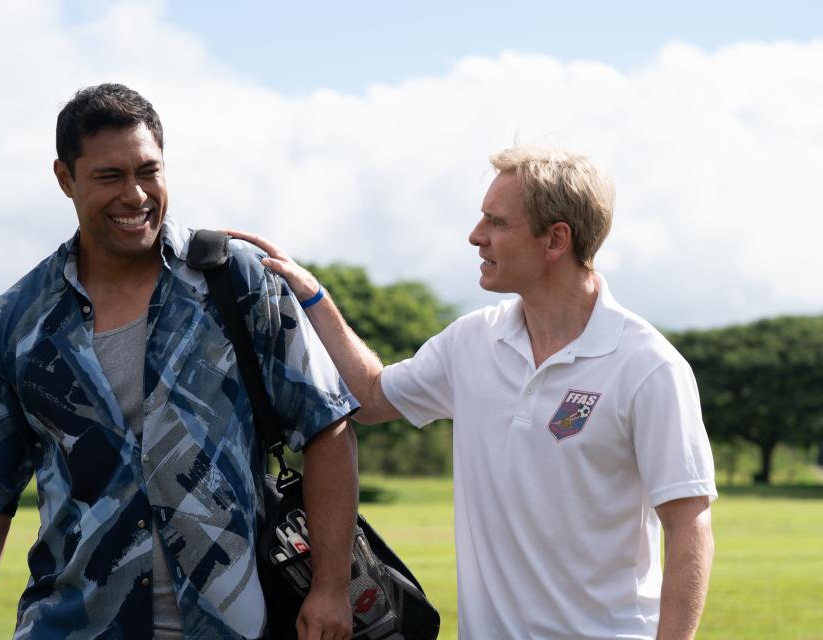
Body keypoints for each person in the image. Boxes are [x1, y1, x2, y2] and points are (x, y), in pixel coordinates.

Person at [230, 145, 717, 640]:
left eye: (496, 222)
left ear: (556, 240)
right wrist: (314, 296)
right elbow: (374, 398)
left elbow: (688, 527)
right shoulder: (472, 341)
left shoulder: (648, 367)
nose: (475, 236)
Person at [0, 83, 360, 640]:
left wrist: (330, 587)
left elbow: (327, 427)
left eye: (149, 171)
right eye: (109, 176)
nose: (135, 195)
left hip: (233, 623)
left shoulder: (236, 281)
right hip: (74, 625)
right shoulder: (15, 324)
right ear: (65, 178)